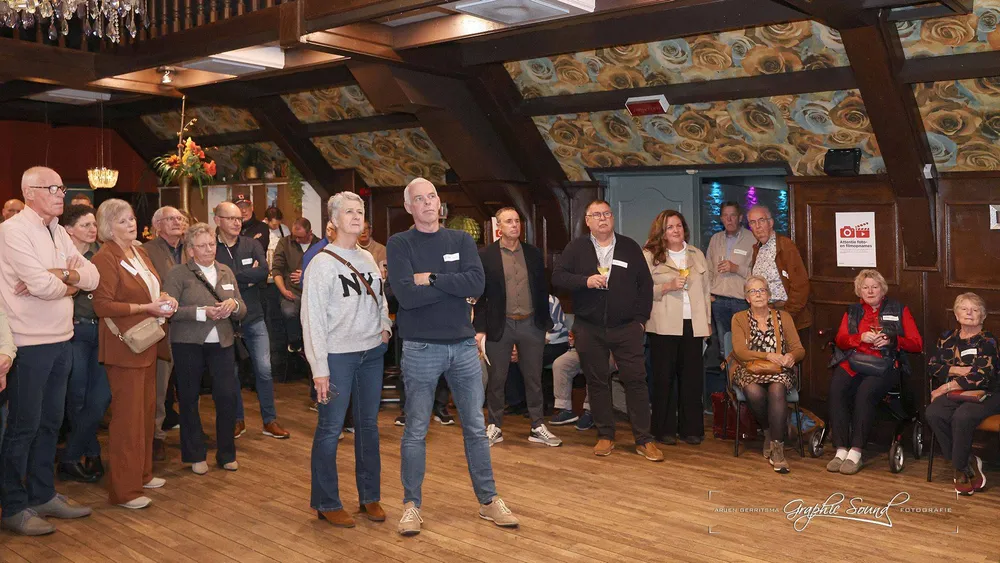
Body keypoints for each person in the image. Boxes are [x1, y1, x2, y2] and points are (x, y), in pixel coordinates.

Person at [387, 177, 518, 536]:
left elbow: (476, 284)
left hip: (462, 346)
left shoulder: (460, 240)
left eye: (432, 196)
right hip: (420, 347)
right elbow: (406, 296)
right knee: (416, 428)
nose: (428, 203)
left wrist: (430, 278)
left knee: (475, 426)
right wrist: (451, 285)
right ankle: (411, 506)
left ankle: (489, 500)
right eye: (420, 199)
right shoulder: (399, 243)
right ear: (409, 207)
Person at [0, 167, 99, 536]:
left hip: (61, 338)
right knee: (23, 427)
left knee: (50, 424)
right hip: (28, 343)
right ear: (30, 192)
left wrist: (63, 276)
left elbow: (92, 277)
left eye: (62, 187)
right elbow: (41, 286)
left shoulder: (58, 230)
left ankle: (42, 495)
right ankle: (13, 505)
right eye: (53, 188)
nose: (61, 194)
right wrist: (67, 280)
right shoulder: (12, 231)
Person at [303, 192, 391, 528]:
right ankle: (326, 502)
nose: (356, 217)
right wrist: (319, 369)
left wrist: (384, 326)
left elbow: (379, 298)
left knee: (368, 426)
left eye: (360, 211)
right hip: (337, 356)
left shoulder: (367, 257)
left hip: (372, 353)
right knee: (330, 428)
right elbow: (312, 320)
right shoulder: (321, 263)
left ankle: (369, 497)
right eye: (349, 212)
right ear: (334, 220)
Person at [552, 199, 660, 461]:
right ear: (587, 221)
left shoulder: (629, 246)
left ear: (613, 218)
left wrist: (640, 321)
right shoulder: (576, 247)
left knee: (636, 381)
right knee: (597, 382)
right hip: (589, 328)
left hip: (626, 328)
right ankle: (605, 435)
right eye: (596, 215)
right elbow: (558, 277)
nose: (602, 218)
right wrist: (585, 281)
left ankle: (644, 440)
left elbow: (645, 286)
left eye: (607, 214)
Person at [91, 199, 176, 509]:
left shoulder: (139, 252)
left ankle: (142, 474)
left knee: (145, 413)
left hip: (148, 341)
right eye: (123, 221)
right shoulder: (105, 257)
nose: (130, 224)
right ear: (108, 227)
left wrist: (165, 298)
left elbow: (152, 289)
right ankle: (124, 490)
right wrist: (146, 307)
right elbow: (102, 305)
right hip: (125, 345)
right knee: (127, 420)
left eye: (131, 219)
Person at [163, 222, 246, 475]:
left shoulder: (225, 271)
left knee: (227, 397)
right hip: (188, 343)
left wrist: (233, 305)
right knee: (189, 398)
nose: (209, 249)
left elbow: (242, 307)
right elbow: (169, 310)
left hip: (223, 342)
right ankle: (195, 454)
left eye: (211, 244)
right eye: (202, 246)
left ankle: (227, 453)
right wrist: (202, 312)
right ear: (190, 250)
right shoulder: (178, 274)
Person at [475, 207, 560, 447]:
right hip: (499, 324)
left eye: (517, 221)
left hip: (531, 324)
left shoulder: (533, 253)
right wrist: (479, 329)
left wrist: (544, 324)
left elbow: (542, 289)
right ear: (499, 227)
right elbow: (480, 296)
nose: (515, 225)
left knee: (533, 378)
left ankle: (537, 426)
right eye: (509, 221)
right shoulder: (486, 255)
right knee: (497, 378)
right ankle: (494, 426)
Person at [827, 269, 922, 475]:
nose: (870, 291)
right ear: (859, 291)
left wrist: (892, 340)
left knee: (865, 392)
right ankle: (841, 449)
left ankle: (856, 452)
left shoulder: (899, 309)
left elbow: (916, 343)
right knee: (837, 388)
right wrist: (860, 337)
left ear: (882, 289)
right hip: (854, 362)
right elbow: (840, 339)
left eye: (874, 287)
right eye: (865, 288)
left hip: (885, 364)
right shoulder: (852, 311)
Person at [214, 201, 290, 440]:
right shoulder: (211, 247)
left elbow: (263, 271)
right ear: (217, 220)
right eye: (231, 218)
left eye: (239, 218)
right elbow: (212, 280)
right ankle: (237, 420)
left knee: (264, 370)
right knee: (232, 373)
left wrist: (230, 278)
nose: (237, 223)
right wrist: (246, 278)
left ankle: (269, 420)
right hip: (225, 320)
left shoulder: (252, 244)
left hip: (254, 316)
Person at [644, 210, 711, 446]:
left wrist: (707, 323)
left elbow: (706, 291)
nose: (676, 230)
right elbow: (642, 290)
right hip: (663, 326)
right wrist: (668, 286)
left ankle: (691, 429)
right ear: (661, 231)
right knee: (664, 379)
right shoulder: (650, 255)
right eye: (670, 227)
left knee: (692, 379)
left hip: (693, 324)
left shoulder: (696, 254)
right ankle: (664, 429)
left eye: (679, 226)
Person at [729, 275, 805, 473]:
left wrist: (790, 356)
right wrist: (768, 355)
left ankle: (777, 449)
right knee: (752, 390)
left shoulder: (784, 317)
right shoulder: (739, 318)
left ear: (769, 295)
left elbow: (799, 349)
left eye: (762, 290)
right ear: (747, 298)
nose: (758, 295)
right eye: (753, 291)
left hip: (779, 370)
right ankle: (769, 431)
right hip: (749, 368)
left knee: (777, 388)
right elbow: (740, 352)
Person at [925, 293, 999, 495]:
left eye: (975, 310)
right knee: (934, 413)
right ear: (957, 315)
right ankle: (967, 461)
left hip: (987, 393)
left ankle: (959, 469)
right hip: (957, 393)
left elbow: (981, 376)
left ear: (983, 316)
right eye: (964, 309)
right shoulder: (946, 338)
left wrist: (945, 387)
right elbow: (933, 366)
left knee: (962, 416)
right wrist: (958, 370)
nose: (969, 313)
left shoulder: (988, 341)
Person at [56, 204, 108, 484]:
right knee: (77, 397)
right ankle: (91, 452)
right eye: (85, 225)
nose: (92, 229)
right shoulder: (60, 257)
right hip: (74, 332)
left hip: (102, 331)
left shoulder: (102, 255)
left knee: (99, 399)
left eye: (94, 224)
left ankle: (71, 455)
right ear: (69, 229)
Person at [143, 205, 186, 461]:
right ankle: (156, 436)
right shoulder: (146, 251)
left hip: (190, 324)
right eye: (170, 219)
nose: (177, 222)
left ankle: (190, 432)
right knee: (160, 385)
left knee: (190, 382)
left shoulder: (190, 248)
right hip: (162, 326)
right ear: (157, 225)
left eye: (179, 218)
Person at [747, 205, 811, 335]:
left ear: (770, 222)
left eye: (761, 220)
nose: (757, 226)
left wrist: (787, 315)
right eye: (753, 222)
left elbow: (801, 285)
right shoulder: (757, 249)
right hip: (763, 314)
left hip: (784, 313)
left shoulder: (785, 246)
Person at [550, 330, 616, 430]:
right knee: (560, 364)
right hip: (583, 348)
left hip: (608, 351)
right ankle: (565, 409)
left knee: (593, 366)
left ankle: (591, 411)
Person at [706, 202, 754, 338]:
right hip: (718, 301)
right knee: (723, 344)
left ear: (740, 218)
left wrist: (736, 268)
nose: (729, 219)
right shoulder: (715, 239)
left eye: (733, 215)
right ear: (721, 218)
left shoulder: (752, 239)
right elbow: (708, 269)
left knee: (743, 343)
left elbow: (758, 274)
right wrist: (708, 293)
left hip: (742, 301)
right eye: (725, 215)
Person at [272, 217, 320, 353]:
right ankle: (295, 343)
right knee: (289, 312)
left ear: (310, 233)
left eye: (300, 237)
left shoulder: (320, 245)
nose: (297, 240)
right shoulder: (285, 243)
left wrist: (306, 276)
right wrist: (283, 290)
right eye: (295, 236)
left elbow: (327, 272)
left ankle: (313, 345)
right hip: (291, 291)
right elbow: (277, 269)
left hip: (314, 293)